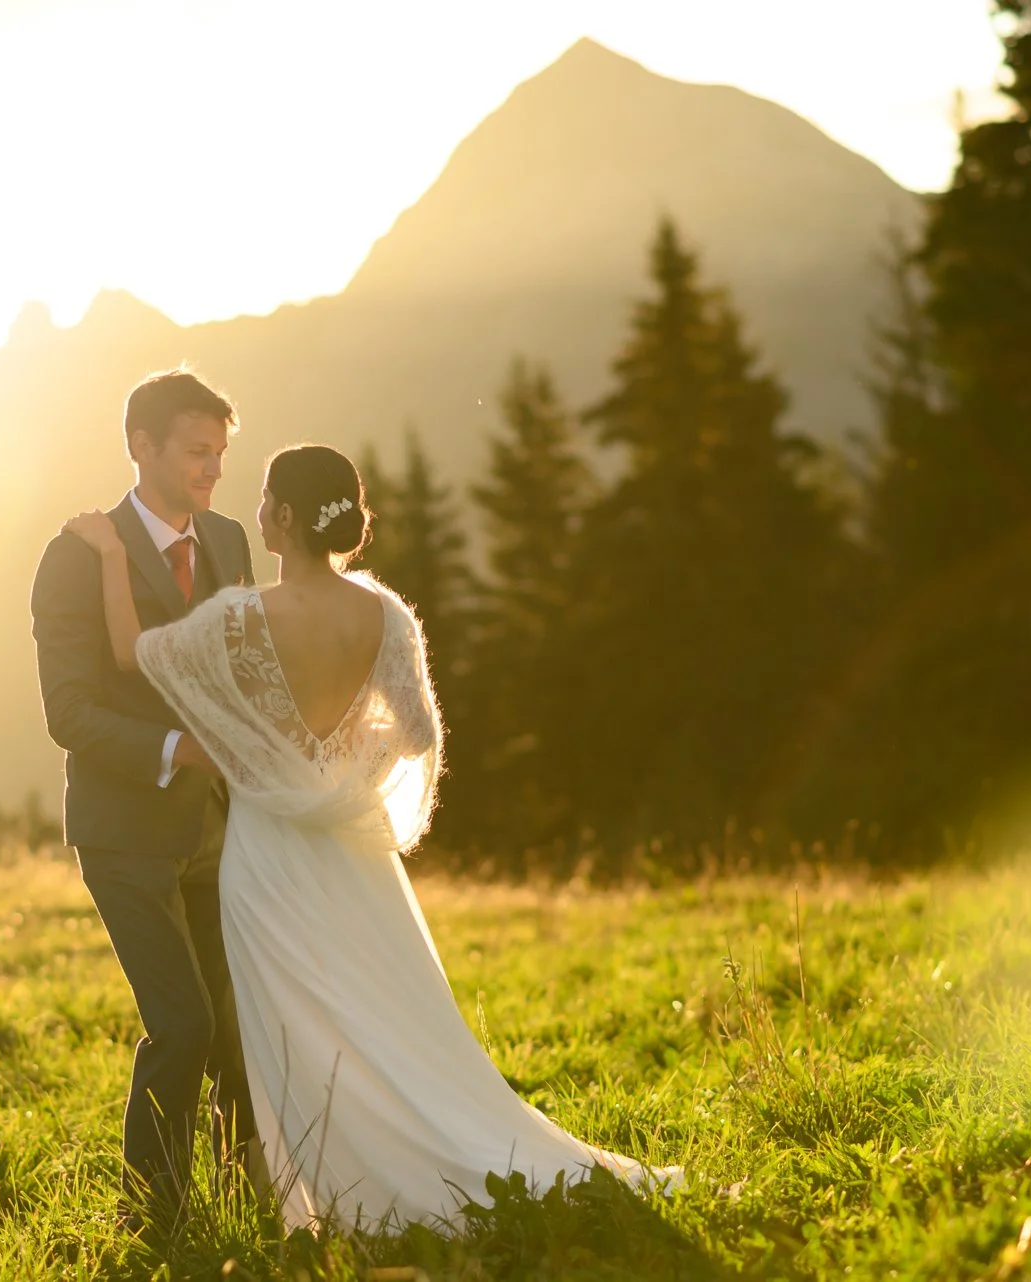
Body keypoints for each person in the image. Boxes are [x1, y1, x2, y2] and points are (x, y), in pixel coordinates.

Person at [59, 442, 684, 1230]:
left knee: (287, 1021)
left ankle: (317, 1182)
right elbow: (416, 733)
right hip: (354, 857)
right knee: (378, 1008)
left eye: (266, 500)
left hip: (266, 854)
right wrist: (340, 762)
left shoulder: (241, 619)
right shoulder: (386, 615)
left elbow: (131, 655)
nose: (255, 512)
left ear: (287, 517)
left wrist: (111, 555)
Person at [29, 369, 258, 1225]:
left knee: (239, 1025)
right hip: (124, 832)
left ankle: (249, 1196)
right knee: (183, 1023)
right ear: (142, 446)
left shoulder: (228, 539)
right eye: (198, 451)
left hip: (221, 827)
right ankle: (154, 1217)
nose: (213, 469)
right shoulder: (73, 557)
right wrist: (176, 749)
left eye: (220, 452)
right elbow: (69, 712)